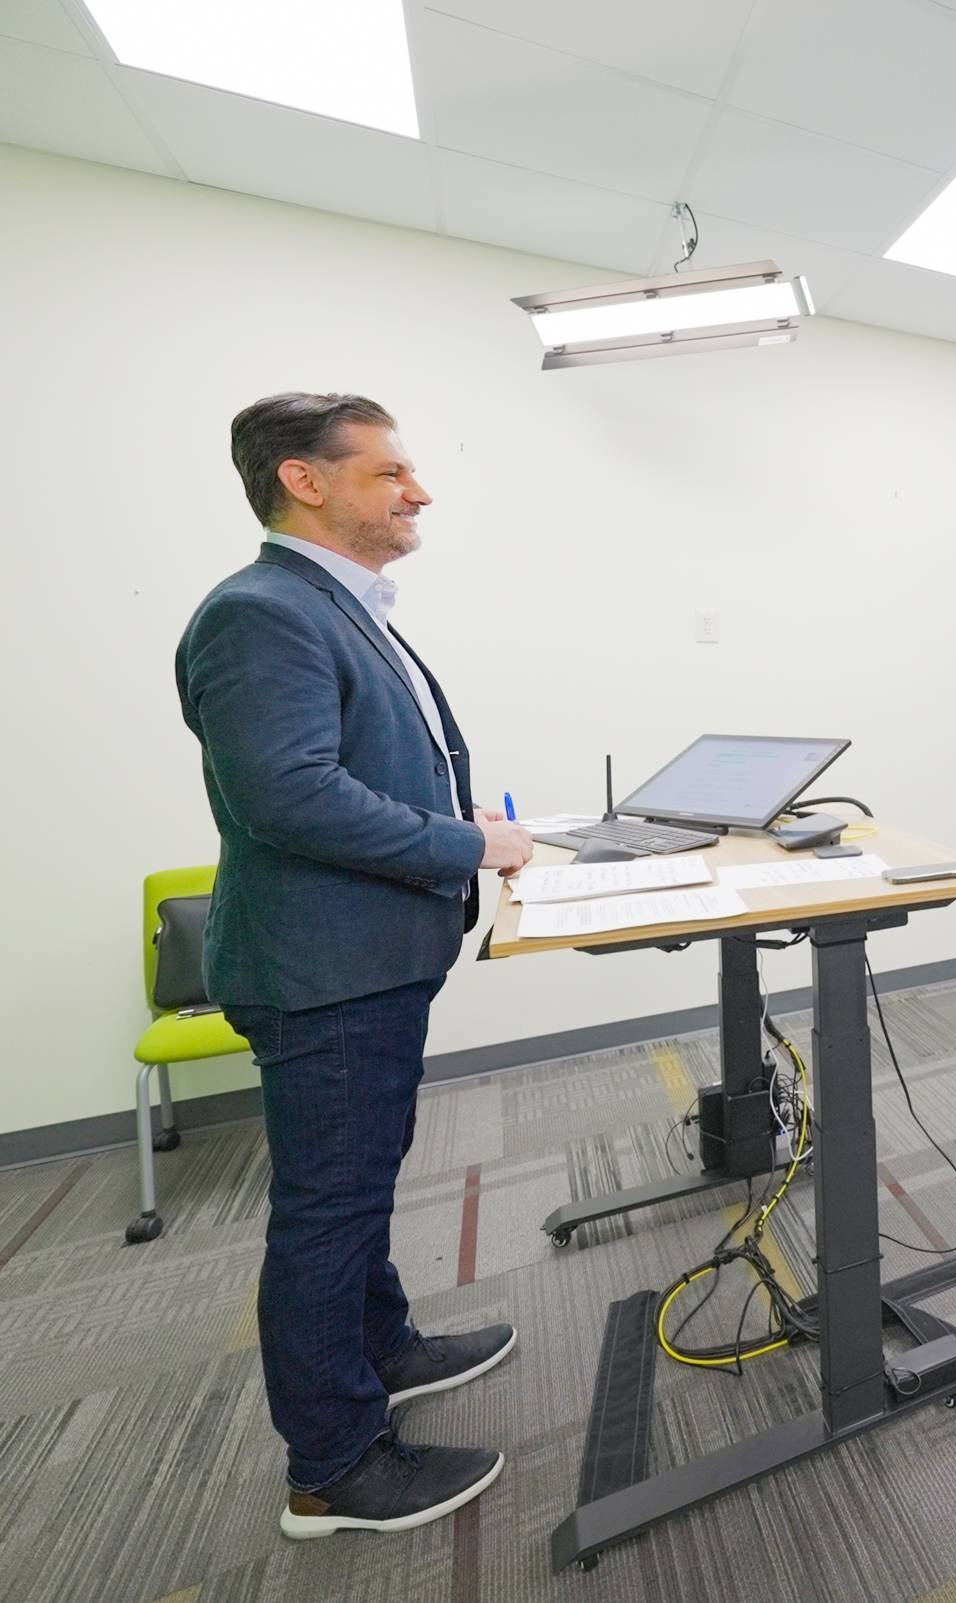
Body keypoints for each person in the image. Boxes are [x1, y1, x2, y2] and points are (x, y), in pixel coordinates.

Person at [176, 393, 531, 1540]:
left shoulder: (332, 605)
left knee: (358, 1183)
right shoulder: (260, 612)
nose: (418, 490)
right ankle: (333, 1466)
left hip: (362, 957)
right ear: (306, 481)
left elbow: (343, 766)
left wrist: (443, 809)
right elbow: (289, 797)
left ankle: (384, 1345)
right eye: (390, 472)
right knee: (327, 1211)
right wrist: (466, 843)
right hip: (323, 971)